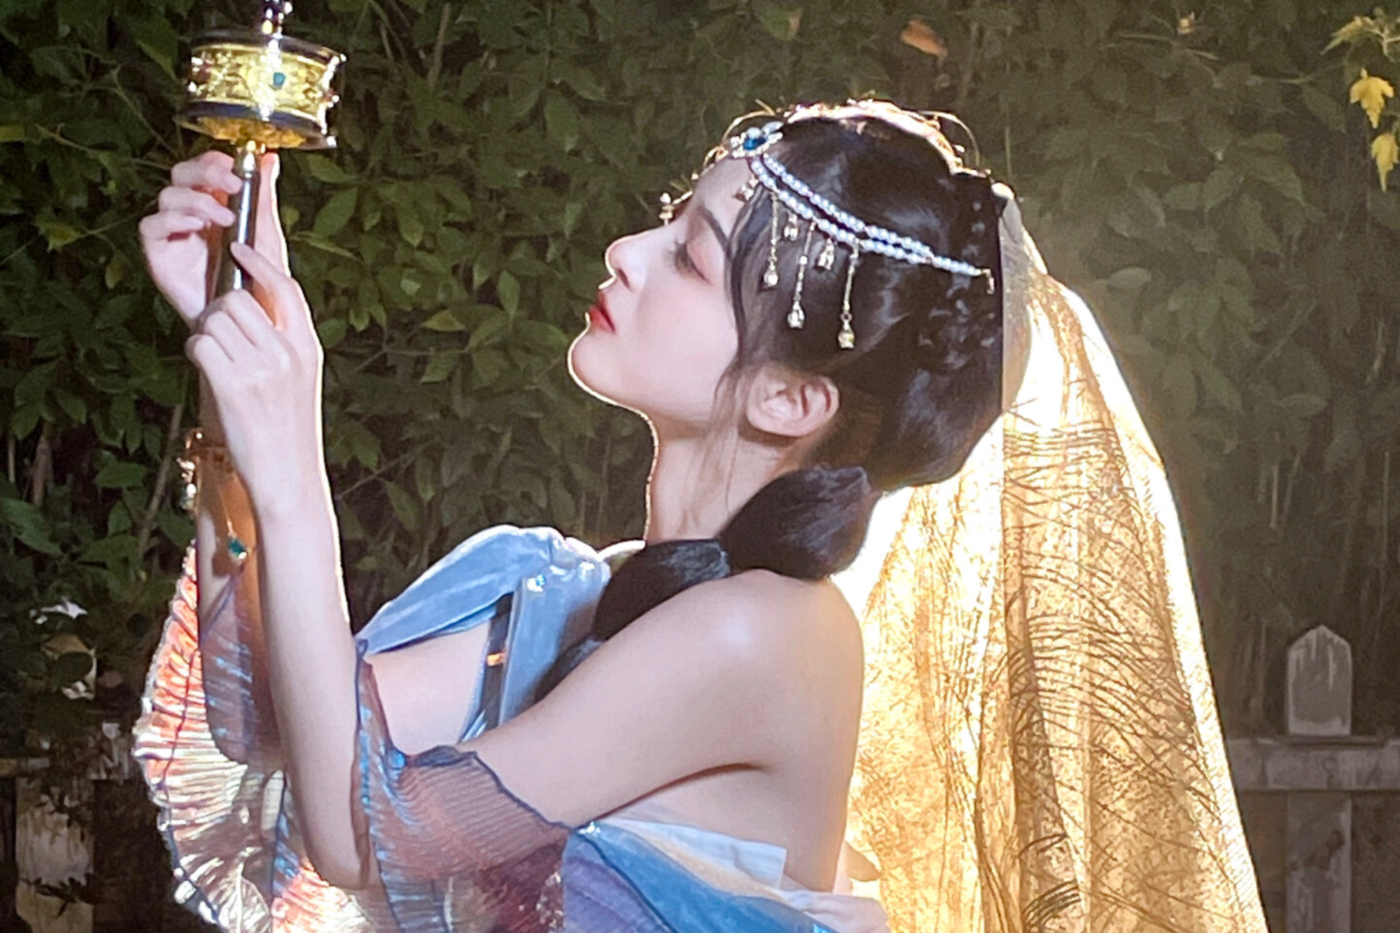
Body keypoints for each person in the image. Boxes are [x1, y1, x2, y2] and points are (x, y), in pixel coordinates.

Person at [133, 101, 1267, 933]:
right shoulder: (585, 595)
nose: (626, 254)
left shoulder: (760, 632)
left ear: (789, 399)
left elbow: (364, 832)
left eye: (688, 257)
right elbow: (269, 719)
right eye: (667, 224)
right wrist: (238, 378)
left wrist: (293, 465)